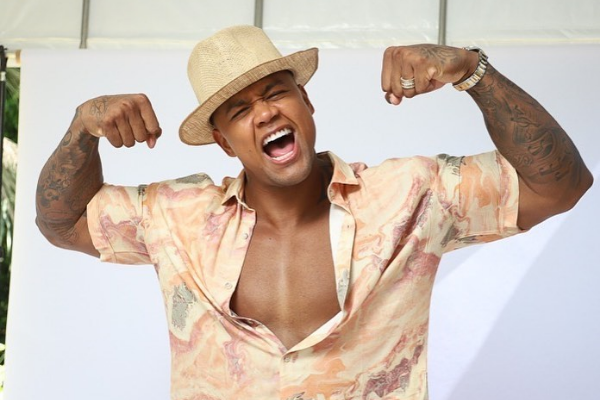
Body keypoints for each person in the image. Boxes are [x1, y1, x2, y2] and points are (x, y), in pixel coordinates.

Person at [35, 25, 592, 400]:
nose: (265, 114)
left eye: (277, 92)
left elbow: (560, 186)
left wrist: (472, 71)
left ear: (307, 103)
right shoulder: (175, 217)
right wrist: (83, 129)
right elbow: (61, 222)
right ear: (223, 142)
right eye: (240, 109)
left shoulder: (412, 194)